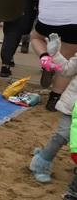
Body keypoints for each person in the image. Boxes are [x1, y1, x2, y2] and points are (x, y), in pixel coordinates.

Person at [15, 0, 77, 111]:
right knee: (65, 63)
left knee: (36, 37)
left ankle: (45, 58)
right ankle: (54, 99)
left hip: (49, 14)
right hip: (74, 18)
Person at [28, 33, 77, 183]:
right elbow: (67, 70)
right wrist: (55, 54)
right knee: (62, 135)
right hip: (73, 106)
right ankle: (41, 163)